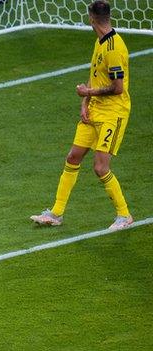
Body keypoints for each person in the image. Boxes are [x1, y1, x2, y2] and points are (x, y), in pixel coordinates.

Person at [30, 0, 133, 230]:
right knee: (73, 157)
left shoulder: (114, 49)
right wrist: (85, 101)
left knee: (100, 168)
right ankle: (56, 213)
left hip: (112, 114)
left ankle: (124, 215)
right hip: (94, 110)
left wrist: (88, 92)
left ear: (91, 18)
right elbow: (95, 76)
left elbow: (117, 87)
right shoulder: (100, 41)